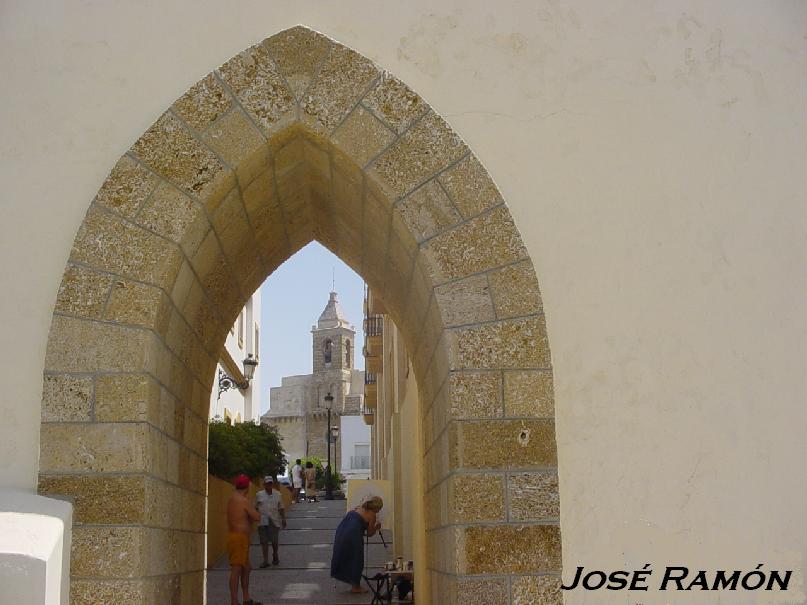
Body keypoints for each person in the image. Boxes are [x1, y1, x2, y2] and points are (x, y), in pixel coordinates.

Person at [330, 496, 383, 593]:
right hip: (353, 534)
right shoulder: (372, 515)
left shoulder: (358, 507)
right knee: (356, 558)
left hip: (342, 529)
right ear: (376, 507)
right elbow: (370, 533)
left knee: (342, 553)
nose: (379, 511)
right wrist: (377, 527)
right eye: (379, 509)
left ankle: (342, 575)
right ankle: (355, 586)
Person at [226, 474, 262, 605]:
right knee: (236, 569)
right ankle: (234, 601)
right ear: (247, 486)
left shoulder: (232, 498)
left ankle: (246, 599)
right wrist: (257, 510)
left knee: (247, 568)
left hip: (238, 538)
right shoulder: (243, 500)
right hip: (239, 539)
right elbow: (257, 517)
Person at [254, 476, 286, 568]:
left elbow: (281, 507)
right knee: (264, 542)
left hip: (274, 520)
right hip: (262, 521)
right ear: (264, 484)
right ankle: (265, 560)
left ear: (272, 484)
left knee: (274, 541)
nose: (269, 485)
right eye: (267, 483)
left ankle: (275, 554)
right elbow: (255, 507)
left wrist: (283, 519)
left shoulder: (278, 494)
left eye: (270, 483)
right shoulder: (258, 495)